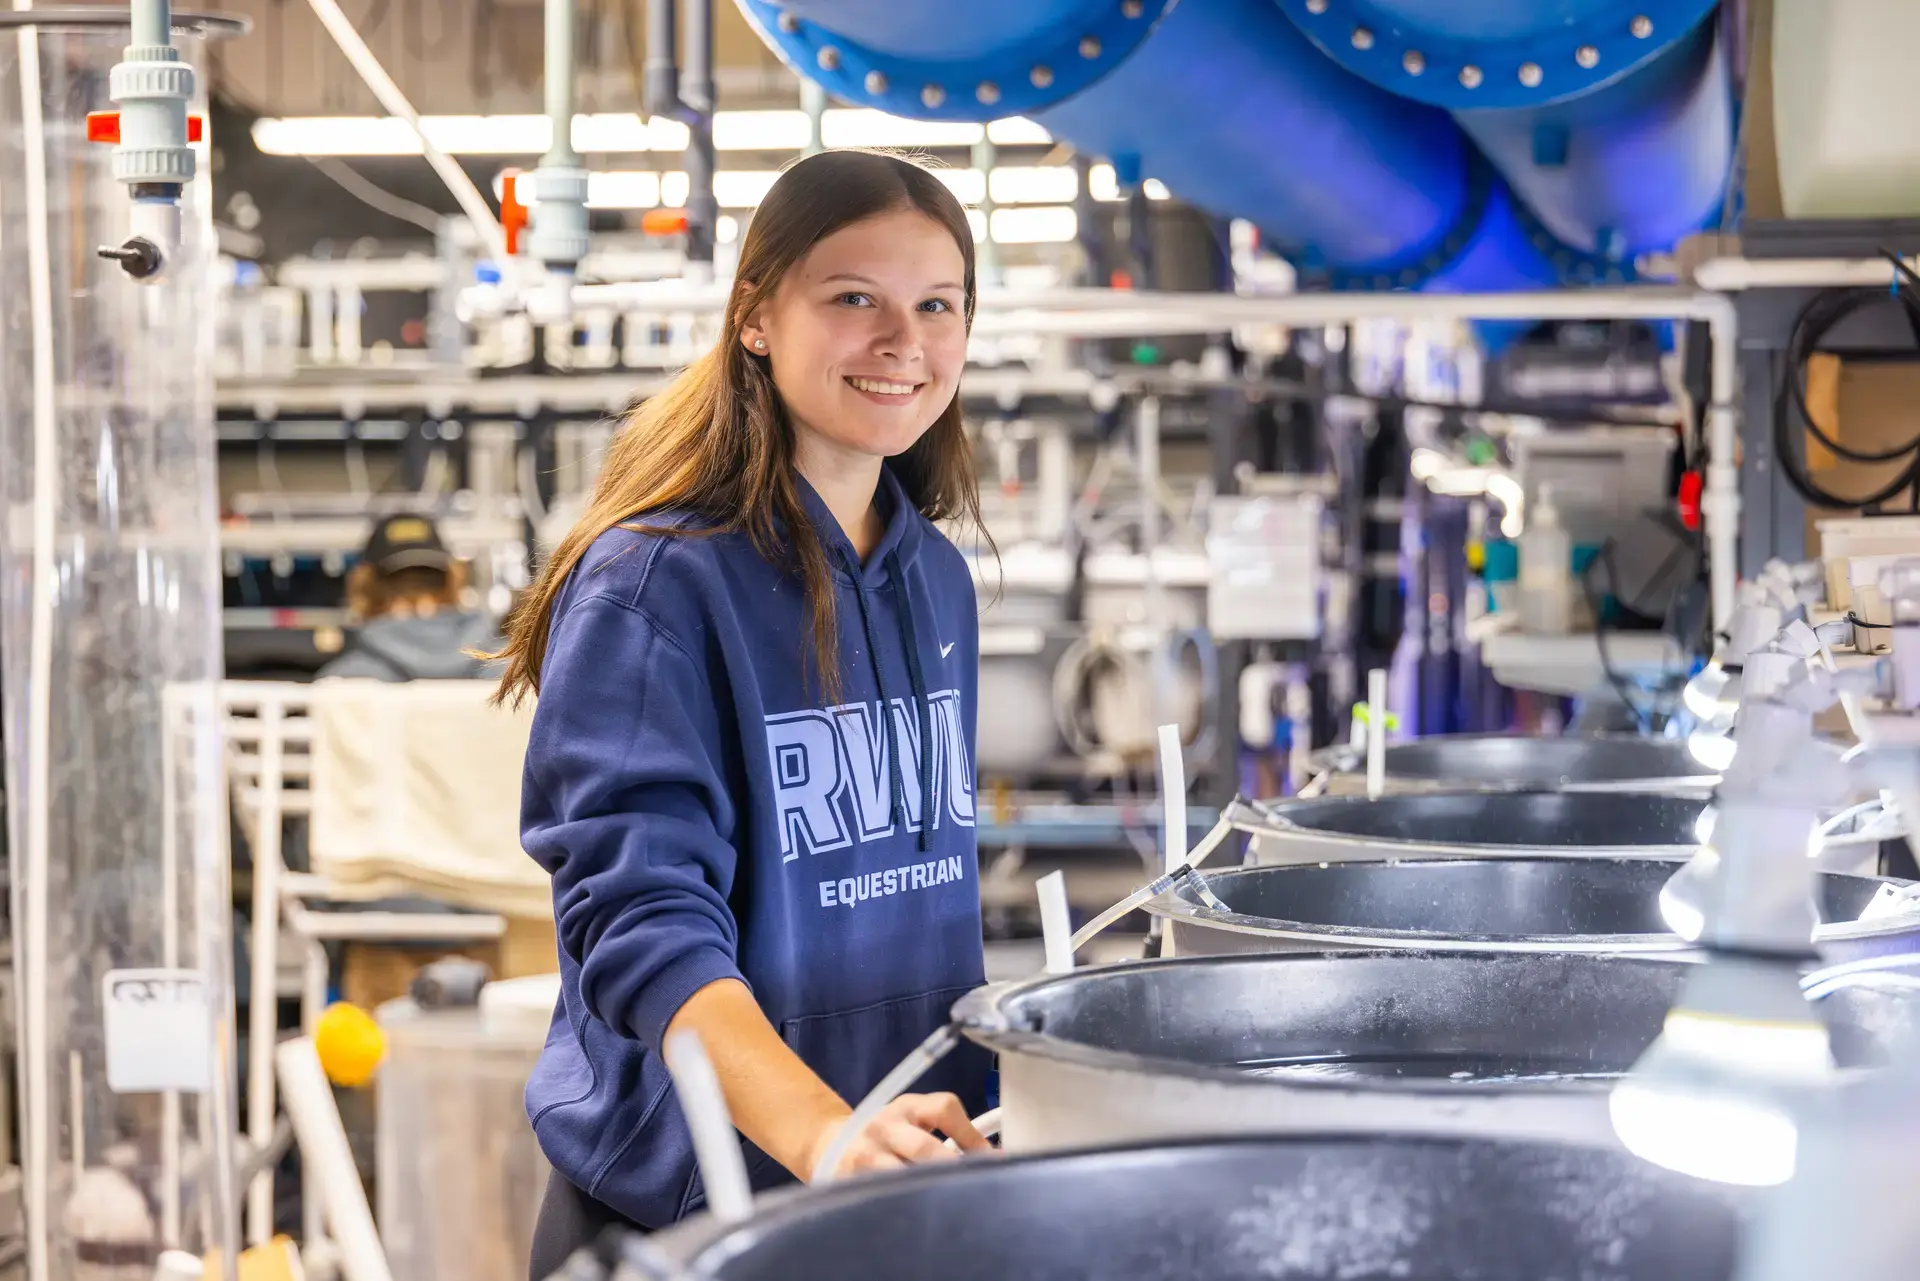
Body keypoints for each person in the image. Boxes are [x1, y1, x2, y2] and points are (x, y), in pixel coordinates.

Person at [493, 150, 995, 1274]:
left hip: (896, 1179)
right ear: (757, 316)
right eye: (853, 299)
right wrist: (824, 1132)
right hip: (701, 1209)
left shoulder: (937, 580)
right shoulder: (656, 583)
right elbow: (642, 925)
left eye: (937, 305)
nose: (902, 341)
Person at [318, 513, 501, 680]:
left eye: (428, 582)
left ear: (365, 592)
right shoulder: (514, 670)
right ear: (453, 584)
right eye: (403, 587)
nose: (420, 602)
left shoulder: (343, 682)